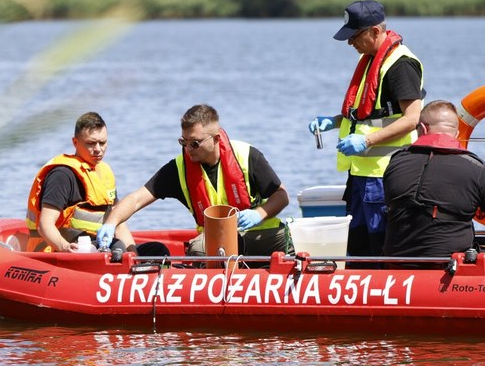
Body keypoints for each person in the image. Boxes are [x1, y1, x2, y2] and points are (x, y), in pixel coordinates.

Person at [309, 0, 425, 257]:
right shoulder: (372, 59)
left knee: (379, 241)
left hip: (383, 174)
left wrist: (367, 141)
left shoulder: (400, 64)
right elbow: (368, 114)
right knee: (358, 241)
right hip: (361, 173)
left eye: (354, 36)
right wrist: (333, 121)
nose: (350, 43)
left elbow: (411, 118)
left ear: (375, 31)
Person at [97, 103, 290, 257]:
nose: (188, 149)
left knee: (289, 243)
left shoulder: (247, 156)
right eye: (184, 142)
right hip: (216, 241)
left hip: (261, 235)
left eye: (195, 143)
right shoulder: (179, 168)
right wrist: (111, 223)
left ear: (215, 139)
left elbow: (282, 196)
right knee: (198, 249)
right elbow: (137, 198)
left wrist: (258, 214)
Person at [383, 100, 485, 257]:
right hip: (451, 265)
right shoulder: (476, 168)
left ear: (423, 129)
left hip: (396, 260)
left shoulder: (396, 161)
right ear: (457, 135)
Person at [25, 112, 134, 252]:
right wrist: (64, 247)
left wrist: (134, 257)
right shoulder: (62, 175)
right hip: (58, 251)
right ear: (75, 142)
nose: (98, 149)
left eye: (102, 143)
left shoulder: (105, 172)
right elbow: (45, 225)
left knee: (156, 249)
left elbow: (118, 224)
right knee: (117, 246)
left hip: (97, 247)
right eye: (91, 143)